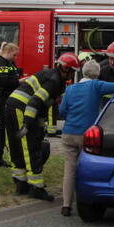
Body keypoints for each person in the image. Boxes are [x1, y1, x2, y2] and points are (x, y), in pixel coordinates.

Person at [57, 59, 114, 216]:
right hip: (86, 134)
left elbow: (62, 111)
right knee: (85, 169)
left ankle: (66, 205)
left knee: (69, 169)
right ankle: (85, 200)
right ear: (97, 73)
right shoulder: (96, 86)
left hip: (68, 133)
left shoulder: (70, 89)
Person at [5, 53, 80, 201]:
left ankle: (21, 183)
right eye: (72, 71)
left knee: (16, 145)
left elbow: (42, 104)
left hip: (11, 105)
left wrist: (40, 122)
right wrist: (27, 124)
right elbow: (35, 102)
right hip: (23, 109)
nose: (72, 75)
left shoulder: (50, 74)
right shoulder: (55, 81)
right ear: (65, 69)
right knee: (31, 147)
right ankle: (36, 187)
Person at [0, 42, 21, 167]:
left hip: (6, 99)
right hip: (3, 100)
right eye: (14, 55)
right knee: (3, 131)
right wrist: (20, 81)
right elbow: (4, 83)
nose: (15, 58)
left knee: (5, 130)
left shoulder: (7, 63)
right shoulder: (1, 64)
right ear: (8, 52)